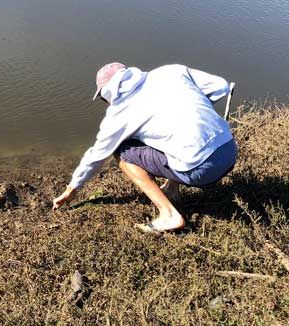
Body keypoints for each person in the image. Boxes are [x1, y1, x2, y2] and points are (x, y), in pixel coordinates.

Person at [52, 63, 237, 233]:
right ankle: (172, 190)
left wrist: (72, 189)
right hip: (229, 150)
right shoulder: (172, 71)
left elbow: (96, 156)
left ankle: (169, 215)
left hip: (201, 170)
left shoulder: (117, 115)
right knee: (169, 136)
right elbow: (220, 86)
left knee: (122, 151)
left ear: (107, 93)